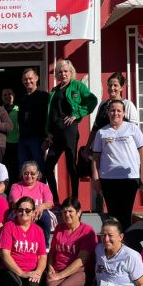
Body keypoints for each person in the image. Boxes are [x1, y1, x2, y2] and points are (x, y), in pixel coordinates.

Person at [91, 99, 143, 231]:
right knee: (112, 214)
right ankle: (114, 243)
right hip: (108, 179)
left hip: (129, 178)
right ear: (108, 113)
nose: (115, 113)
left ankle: (126, 243)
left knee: (125, 213)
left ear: (124, 113)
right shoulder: (101, 132)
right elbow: (95, 158)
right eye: (112, 110)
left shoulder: (132, 128)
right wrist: (95, 178)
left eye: (118, 110)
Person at [44, 59, 98, 201]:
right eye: (60, 72)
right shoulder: (54, 91)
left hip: (69, 131)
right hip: (55, 134)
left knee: (70, 166)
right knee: (48, 167)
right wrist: (48, 131)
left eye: (65, 71)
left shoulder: (78, 86)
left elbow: (92, 101)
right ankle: (55, 199)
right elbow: (51, 113)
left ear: (71, 72)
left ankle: (74, 199)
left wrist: (76, 114)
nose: (63, 74)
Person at [85, 72, 139, 155]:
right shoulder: (103, 104)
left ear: (121, 87)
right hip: (102, 149)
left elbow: (134, 131)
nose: (112, 88)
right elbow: (95, 128)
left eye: (115, 85)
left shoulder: (128, 105)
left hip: (121, 150)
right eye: (110, 85)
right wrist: (87, 147)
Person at [8, 161, 55, 247]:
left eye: (32, 173)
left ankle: (45, 246)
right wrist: (30, 211)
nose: (29, 176)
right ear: (22, 174)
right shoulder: (16, 186)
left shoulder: (44, 187)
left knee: (45, 216)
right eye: (26, 173)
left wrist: (41, 206)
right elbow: (15, 203)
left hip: (39, 214)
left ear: (37, 174)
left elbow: (50, 203)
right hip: (21, 212)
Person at [17, 68, 49, 172]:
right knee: (24, 170)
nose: (28, 81)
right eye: (25, 79)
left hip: (38, 139)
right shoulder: (21, 99)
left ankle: (41, 189)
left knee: (38, 169)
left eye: (30, 78)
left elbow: (49, 118)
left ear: (36, 78)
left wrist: (46, 138)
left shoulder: (44, 96)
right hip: (23, 139)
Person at [2, 88, 20, 181]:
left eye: (10, 94)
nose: (7, 96)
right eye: (4, 95)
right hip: (2, 144)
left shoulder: (19, 109)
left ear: (14, 96)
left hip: (15, 143)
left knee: (14, 169)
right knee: (3, 169)